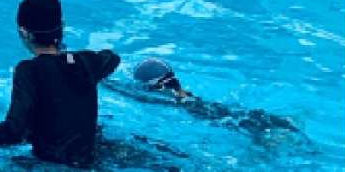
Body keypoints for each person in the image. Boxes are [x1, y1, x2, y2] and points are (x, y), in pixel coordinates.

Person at [0, 0, 120, 167]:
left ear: (24, 33)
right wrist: (68, 56)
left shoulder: (28, 70)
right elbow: (112, 58)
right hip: (90, 161)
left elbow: (15, 130)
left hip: (50, 167)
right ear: (63, 26)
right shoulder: (85, 62)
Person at [106, 58, 299, 137]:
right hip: (223, 111)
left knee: (240, 124)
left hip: (218, 118)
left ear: (150, 86)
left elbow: (134, 95)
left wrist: (103, 81)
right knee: (242, 117)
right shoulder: (183, 92)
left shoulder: (164, 98)